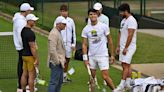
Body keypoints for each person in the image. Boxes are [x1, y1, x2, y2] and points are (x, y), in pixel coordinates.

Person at [82, 9, 116, 92]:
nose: (93, 16)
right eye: (90, 14)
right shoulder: (86, 29)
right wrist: (85, 58)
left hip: (103, 55)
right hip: (92, 56)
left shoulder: (104, 26)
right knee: (92, 77)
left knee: (105, 77)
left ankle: (115, 90)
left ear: (97, 15)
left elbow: (110, 41)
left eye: (94, 14)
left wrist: (112, 55)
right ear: (88, 16)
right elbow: (84, 44)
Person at [115, 3, 138, 91]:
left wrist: (126, 47)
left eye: (121, 12)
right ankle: (128, 83)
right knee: (125, 65)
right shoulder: (123, 21)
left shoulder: (132, 20)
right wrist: (118, 46)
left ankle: (121, 85)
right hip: (122, 46)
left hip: (129, 47)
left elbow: (130, 35)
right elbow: (120, 34)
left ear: (126, 11)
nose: (120, 14)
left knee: (125, 64)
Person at [13, 3, 34, 92]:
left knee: (23, 67)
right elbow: (21, 36)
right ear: (26, 11)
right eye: (29, 10)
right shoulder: (21, 22)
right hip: (23, 48)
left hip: (21, 47)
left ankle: (23, 86)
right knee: (24, 68)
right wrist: (27, 46)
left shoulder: (19, 18)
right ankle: (22, 87)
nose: (30, 12)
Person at [53, 4, 76, 82]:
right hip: (60, 44)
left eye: (65, 11)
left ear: (67, 12)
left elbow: (73, 33)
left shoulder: (71, 21)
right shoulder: (57, 20)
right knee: (60, 60)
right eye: (62, 11)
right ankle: (59, 76)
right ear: (60, 12)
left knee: (67, 59)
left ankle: (64, 76)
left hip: (69, 44)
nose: (64, 13)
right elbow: (54, 31)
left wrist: (73, 44)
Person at [21, 14, 39, 92]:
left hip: (23, 55)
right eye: (33, 20)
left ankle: (23, 90)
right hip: (30, 57)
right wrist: (36, 59)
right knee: (31, 76)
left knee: (24, 74)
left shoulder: (23, 30)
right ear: (29, 21)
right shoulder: (30, 33)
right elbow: (32, 48)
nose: (35, 22)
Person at [48, 16, 67, 92]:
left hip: (59, 62)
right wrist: (57, 61)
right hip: (56, 62)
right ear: (58, 24)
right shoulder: (54, 33)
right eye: (63, 24)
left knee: (59, 81)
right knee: (54, 82)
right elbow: (52, 49)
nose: (65, 25)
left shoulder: (57, 32)